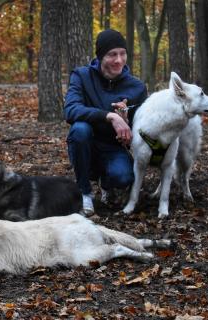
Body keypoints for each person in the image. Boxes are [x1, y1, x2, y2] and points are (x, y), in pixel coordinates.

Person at [64, 29, 147, 215]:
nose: (119, 60)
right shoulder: (81, 76)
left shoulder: (137, 87)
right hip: (86, 144)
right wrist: (110, 116)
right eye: (112, 54)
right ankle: (84, 192)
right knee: (80, 129)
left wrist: (127, 124)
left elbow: (142, 128)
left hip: (113, 147)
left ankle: (106, 183)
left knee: (124, 177)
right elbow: (70, 110)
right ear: (100, 56)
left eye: (122, 53)